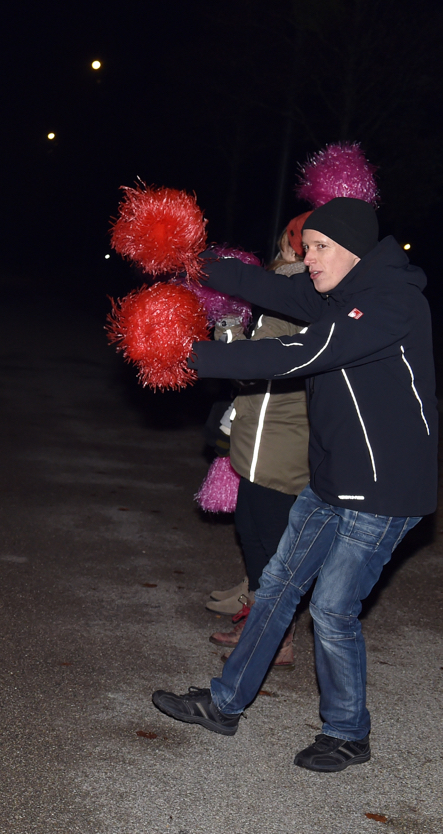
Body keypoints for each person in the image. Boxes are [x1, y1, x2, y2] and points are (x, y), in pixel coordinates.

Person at [153, 197, 437, 772]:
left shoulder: (392, 303)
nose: (308, 259)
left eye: (320, 247)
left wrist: (191, 356)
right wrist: (190, 259)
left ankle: (347, 733)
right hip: (332, 479)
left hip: (383, 491)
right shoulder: (339, 296)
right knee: (279, 585)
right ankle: (224, 704)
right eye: (305, 248)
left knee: (332, 608)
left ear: (353, 249)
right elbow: (269, 290)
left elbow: (308, 350)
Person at [205, 216, 312, 668]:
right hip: (268, 434)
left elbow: (251, 364)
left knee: (267, 541)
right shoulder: (296, 290)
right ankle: (263, 621)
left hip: (279, 440)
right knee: (255, 533)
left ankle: (275, 637)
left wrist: (226, 329)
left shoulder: (291, 291)